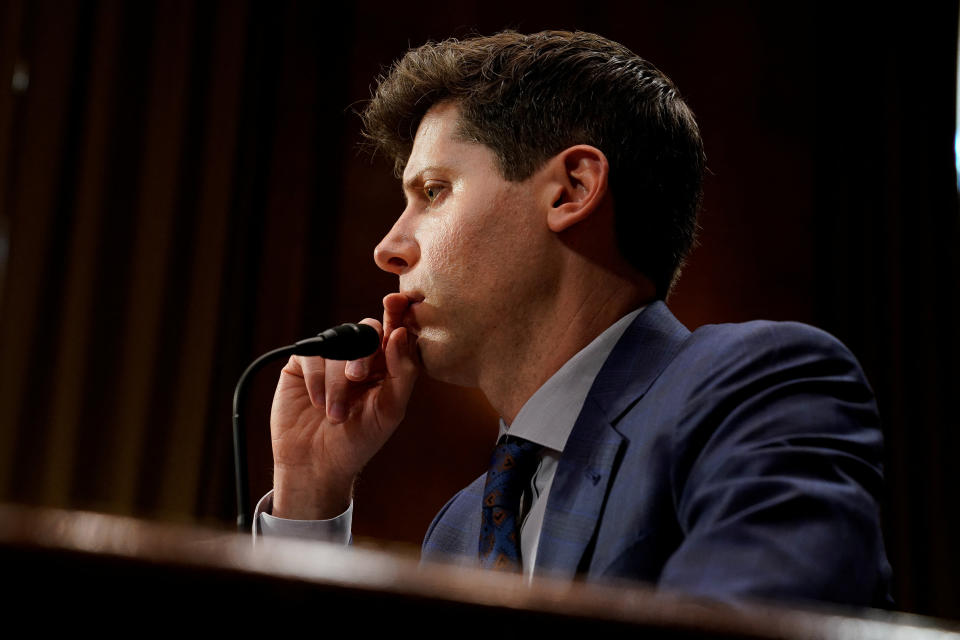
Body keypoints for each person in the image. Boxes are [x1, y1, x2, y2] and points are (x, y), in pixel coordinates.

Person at [255, 30, 892, 607]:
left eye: (433, 192)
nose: (388, 248)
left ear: (572, 190)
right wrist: (310, 494)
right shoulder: (457, 529)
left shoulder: (756, 387)